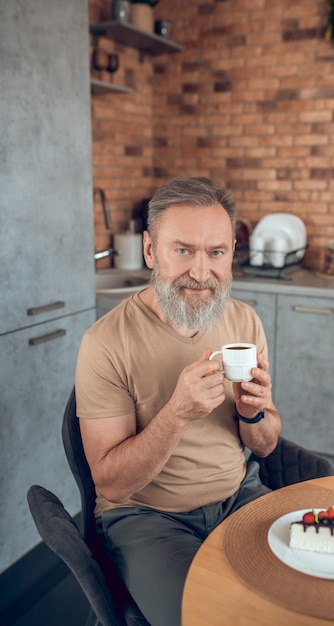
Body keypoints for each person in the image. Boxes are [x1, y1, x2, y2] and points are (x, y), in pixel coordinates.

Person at [75, 176, 282, 626]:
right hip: (149, 519)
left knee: (303, 596)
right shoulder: (105, 343)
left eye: (216, 252)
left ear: (231, 254)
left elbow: (265, 445)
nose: (201, 272)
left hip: (240, 497)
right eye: (183, 250)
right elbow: (111, 484)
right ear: (151, 251)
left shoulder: (245, 322)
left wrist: (254, 412)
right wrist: (175, 415)